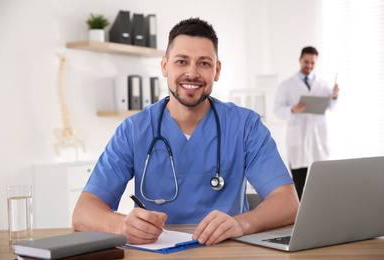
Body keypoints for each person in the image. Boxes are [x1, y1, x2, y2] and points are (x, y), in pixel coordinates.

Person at [72, 18, 299, 246]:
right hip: (156, 253)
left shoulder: (245, 125)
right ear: (164, 66)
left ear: (217, 70)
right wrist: (121, 225)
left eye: (204, 63)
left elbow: (288, 203)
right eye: (181, 61)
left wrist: (242, 224)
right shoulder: (134, 130)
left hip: (226, 252)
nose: (192, 73)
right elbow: (83, 212)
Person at [274, 46, 339, 200]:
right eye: (306, 62)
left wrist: (335, 96)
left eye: (312, 63)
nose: (309, 65)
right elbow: (277, 110)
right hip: (299, 143)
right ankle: (301, 221)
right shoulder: (287, 85)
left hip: (318, 141)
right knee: (300, 187)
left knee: (322, 186)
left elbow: (332, 107)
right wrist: (292, 109)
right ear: (300, 60)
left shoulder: (323, 84)